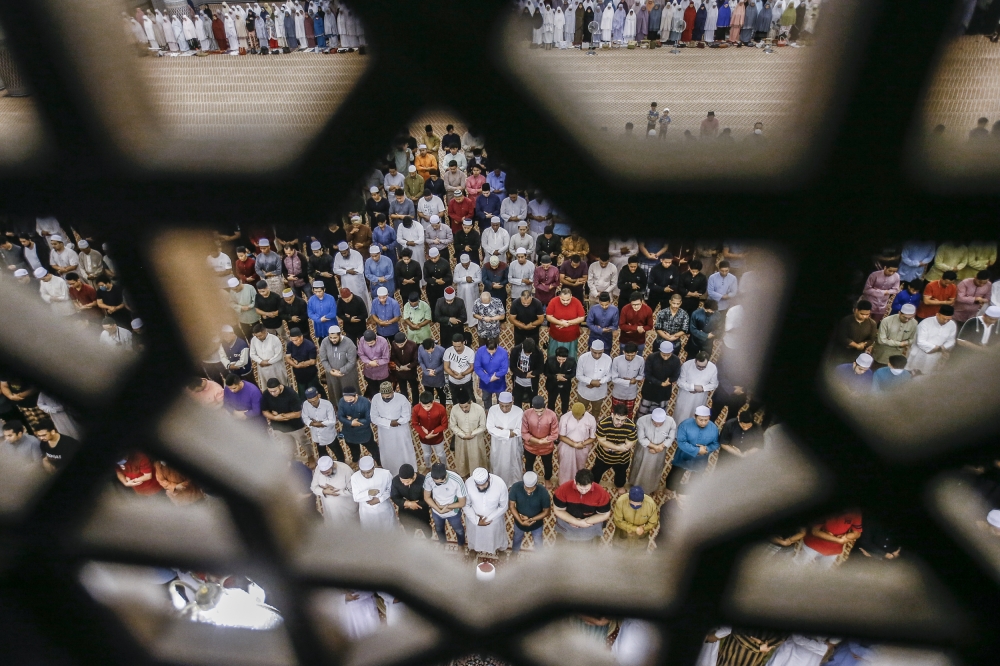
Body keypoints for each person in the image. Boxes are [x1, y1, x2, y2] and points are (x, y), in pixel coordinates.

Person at [665, 406, 719, 494]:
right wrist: (697, 450)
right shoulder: (685, 425)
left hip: (701, 458)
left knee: (696, 477)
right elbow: (681, 442)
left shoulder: (714, 428)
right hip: (684, 455)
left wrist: (707, 448)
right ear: (695, 416)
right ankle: (670, 488)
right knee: (676, 473)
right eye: (701, 420)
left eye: (706, 420)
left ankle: (691, 493)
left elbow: (716, 443)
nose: (703, 423)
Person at [370, 382, 416, 478]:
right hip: (385, 430)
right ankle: (390, 471)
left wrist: (397, 422)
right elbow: (374, 418)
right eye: (385, 396)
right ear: (380, 393)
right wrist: (389, 423)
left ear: (393, 391)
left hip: (400, 429)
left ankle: (409, 470)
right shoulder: (376, 399)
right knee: (388, 450)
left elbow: (407, 416)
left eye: (389, 395)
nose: (387, 397)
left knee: (404, 449)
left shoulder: (401, 398)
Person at [261, 378, 313, 461]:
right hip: (278, 427)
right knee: (287, 445)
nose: (272, 393)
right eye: (270, 391)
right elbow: (264, 411)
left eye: (275, 391)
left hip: (295, 426)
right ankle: (291, 459)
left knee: (303, 442)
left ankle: (311, 457)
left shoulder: (291, 394)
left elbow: (297, 413)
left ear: (280, 387)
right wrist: (274, 417)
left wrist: (281, 416)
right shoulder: (266, 394)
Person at [553, 468, 611, 542]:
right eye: (580, 488)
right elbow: (558, 510)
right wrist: (575, 522)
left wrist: (586, 522)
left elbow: (605, 514)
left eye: (586, 489)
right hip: (568, 520)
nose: (583, 492)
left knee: (591, 546)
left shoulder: (601, 493)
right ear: (575, 481)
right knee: (563, 544)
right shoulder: (563, 490)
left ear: (592, 483)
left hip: (590, 523)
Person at [591, 404, 638, 495]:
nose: (620, 423)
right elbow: (602, 441)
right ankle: (594, 484)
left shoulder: (631, 426)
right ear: (612, 415)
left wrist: (610, 448)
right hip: (603, 456)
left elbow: (628, 445)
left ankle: (619, 485)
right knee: (596, 471)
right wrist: (618, 447)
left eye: (623, 420)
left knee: (621, 473)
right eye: (617, 419)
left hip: (622, 458)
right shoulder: (603, 424)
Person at [463, 467, 510, 555]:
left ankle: (500, 549)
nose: (480, 487)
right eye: (478, 485)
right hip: (474, 519)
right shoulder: (468, 483)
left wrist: (487, 519)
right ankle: (473, 549)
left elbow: (503, 506)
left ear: (488, 478)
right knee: (474, 536)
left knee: (496, 536)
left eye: (483, 485)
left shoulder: (500, 484)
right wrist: (476, 520)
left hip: (494, 520)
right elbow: (466, 504)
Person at [629, 408, 675, 492]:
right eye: (655, 423)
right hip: (644, 450)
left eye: (660, 424)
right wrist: (655, 447)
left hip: (660, 451)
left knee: (655, 468)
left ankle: (652, 488)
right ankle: (635, 484)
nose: (658, 425)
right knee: (639, 466)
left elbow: (671, 438)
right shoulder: (642, 420)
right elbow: (641, 438)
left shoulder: (671, 422)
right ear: (652, 419)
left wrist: (660, 447)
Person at [794, 511, 862, 567]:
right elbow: (814, 531)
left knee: (821, 574)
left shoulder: (855, 512)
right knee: (798, 566)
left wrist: (847, 537)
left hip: (833, 550)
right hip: (813, 545)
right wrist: (838, 540)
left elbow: (857, 533)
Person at [423, 462, 467, 546]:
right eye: (435, 482)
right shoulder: (429, 477)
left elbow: (462, 502)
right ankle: (442, 543)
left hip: (453, 513)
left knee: (459, 530)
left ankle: (461, 545)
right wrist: (438, 510)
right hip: (436, 511)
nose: (437, 484)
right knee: (439, 529)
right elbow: (427, 497)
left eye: (440, 483)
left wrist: (444, 508)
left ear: (446, 476)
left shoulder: (457, 480)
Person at [486, 392, 525, 487]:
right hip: (497, 444)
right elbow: (490, 428)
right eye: (502, 406)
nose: (504, 409)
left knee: (513, 463)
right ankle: (497, 482)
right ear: (498, 403)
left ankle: (514, 483)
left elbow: (520, 430)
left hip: (513, 444)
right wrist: (509, 432)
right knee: (497, 463)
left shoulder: (519, 411)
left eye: (507, 406)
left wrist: (501, 431)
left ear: (512, 403)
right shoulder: (493, 410)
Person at [906, 305, 956, 375]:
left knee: (927, 376)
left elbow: (951, 340)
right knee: (911, 374)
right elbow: (921, 341)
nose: (946, 321)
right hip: (919, 353)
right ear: (937, 315)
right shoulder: (926, 323)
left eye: (948, 319)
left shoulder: (952, 325)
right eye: (944, 318)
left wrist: (942, 348)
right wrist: (936, 348)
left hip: (936, 355)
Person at [351, 455, 396, 531]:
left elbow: (391, 490)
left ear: (373, 467)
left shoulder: (385, 474)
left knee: (389, 530)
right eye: (363, 473)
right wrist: (368, 493)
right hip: (367, 512)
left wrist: (380, 499)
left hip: (383, 508)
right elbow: (356, 497)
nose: (366, 475)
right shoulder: (355, 477)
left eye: (368, 472)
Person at [509, 471, 551, 552]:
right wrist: (521, 522)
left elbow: (547, 512)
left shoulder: (543, 492)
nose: (528, 491)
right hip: (519, 522)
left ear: (536, 484)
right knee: (517, 538)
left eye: (531, 489)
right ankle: (514, 554)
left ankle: (539, 558)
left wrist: (530, 519)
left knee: (538, 541)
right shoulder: (515, 487)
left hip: (536, 524)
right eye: (526, 488)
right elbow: (511, 506)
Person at [522, 395, 559, 487]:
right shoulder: (527, 413)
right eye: (536, 411)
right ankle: (529, 481)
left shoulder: (552, 415)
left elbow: (555, 434)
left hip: (546, 447)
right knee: (529, 464)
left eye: (541, 411)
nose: (539, 414)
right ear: (532, 407)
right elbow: (524, 433)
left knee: (547, 465)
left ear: (545, 406)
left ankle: (547, 479)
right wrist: (538, 442)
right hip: (530, 446)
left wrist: (544, 441)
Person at [311, 456, 359, 527]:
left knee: (350, 526)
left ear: (333, 466)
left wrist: (335, 492)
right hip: (330, 509)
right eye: (323, 473)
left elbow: (354, 491)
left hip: (346, 508)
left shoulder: (346, 470)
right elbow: (313, 487)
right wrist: (324, 491)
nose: (325, 475)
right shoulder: (319, 469)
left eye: (327, 472)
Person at [557, 402, 597, 486]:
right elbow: (561, 436)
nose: (577, 418)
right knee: (565, 466)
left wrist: (581, 444)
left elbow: (593, 437)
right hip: (566, 445)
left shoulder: (591, 419)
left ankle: (578, 483)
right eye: (575, 416)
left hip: (583, 446)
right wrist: (574, 444)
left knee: (580, 465)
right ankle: (564, 484)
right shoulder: (565, 418)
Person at [449, 396, 489, 477]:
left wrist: (472, 433)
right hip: (461, 439)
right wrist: (463, 435)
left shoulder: (479, 409)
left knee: (476, 457)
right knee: (462, 457)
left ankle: (478, 474)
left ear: (470, 402)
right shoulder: (454, 409)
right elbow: (453, 425)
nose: (464, 409)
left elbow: (483, 426)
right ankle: (463, 473)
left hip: (475, 439)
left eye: (466, 406)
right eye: (461, 407)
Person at [673, 351, 718, 424]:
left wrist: (703, 388)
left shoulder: (713, 368)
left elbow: (714, 384)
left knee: (696, 417)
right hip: (685, 396)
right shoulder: (687, 365)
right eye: (698, 366)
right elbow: (680, 382)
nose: (701, 368)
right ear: (695, 361)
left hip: (700, 397)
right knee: (681, 417)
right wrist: (692, 387)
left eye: (703, 367)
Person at [319, 326, 358, 405]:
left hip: (347, 374)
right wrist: (330, 370)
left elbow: (352, 361)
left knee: (350, 392)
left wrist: (341, 371)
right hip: (332, 374)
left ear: (340, 335)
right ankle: (338, 407)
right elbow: (323, 359)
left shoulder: (349, 343)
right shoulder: (325, 342)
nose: (333, 340)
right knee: (335, 391)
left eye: (335, 337)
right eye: (331, 337)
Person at [337, 388, 377, 464]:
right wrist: (351, 422)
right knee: (354, 450)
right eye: (346, 400)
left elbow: (369, 419)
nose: (348, 402)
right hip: (349, 432)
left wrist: (355, 421)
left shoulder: (365, 402)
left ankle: (378, 461)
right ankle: (355, 460)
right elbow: (340, 416)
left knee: (373, 449)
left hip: (363, 432)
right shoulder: (342, 401)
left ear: (356, 396)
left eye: (350, 400)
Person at [871, 303, 917, 368]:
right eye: (905, 317)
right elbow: (881, 340)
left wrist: (906, 342)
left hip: (897, 354)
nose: (907, 320)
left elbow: (913, 339)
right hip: (882, 353)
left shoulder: (914, 323)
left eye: (910, 318)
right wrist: (901, 344)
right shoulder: (887, 321)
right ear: (899, 313)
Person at [546, 288, 587, 358]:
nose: (565, 302)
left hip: (571, 336)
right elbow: (548, 316)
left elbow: (581, 317)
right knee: (553, 356)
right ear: (560, 297)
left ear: (571, 296)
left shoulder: (576, 302)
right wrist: (560, 323)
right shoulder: (553, 301)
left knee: (570, 357)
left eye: (568, 300)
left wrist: (568, 323)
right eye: (563, 300)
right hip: (556, 336)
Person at [576, 339, 612, 416]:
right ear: (591, 349)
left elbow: (609, 375)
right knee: (581, 410)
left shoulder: (608, 359)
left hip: (599, 391)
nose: (597, 355)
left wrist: (599, 382)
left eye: (600, 353)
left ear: (603, 350)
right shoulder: (583, 358)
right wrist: (591, 382)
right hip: (584, 390)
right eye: (595, 352)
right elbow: (578, 375)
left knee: (596, 410)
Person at [412, 391, 448, 470]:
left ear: (433, 402)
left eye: (428, 406)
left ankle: (444, 467)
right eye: (423, 406)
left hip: (437, 437)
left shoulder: (441, 408)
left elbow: (444, 425)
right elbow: (415, 423)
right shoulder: (416, 408)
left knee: (441, 454)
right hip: (423, 438)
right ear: (420, 402)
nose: (426, 409)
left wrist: (431, 433)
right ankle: (428, 467)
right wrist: (425, 435)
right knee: (427, 454)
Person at [390, 463, 431, 533]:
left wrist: (415, 504)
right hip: (405, 512)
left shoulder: (423, 481)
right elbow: (394, 496)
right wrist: (408, 504)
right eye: (402, 482)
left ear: (414, 477)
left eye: (407, 482)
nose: (405, 484)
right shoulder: (395, 481)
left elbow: (428, 498)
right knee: (409, 530)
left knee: (426, 528)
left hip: (421, 511)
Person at [333, 241, 371, 311]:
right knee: (348, 299)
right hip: (346, 283)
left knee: (361, 299)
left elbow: (360, 270)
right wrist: (347, 271)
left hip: (357, 283)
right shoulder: (338, 256)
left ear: (348, 249)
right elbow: (335, 270)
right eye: (342, 253)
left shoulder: (356, 254)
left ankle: (366, 315)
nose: (343, 255)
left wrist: (343, 269)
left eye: (345, 253)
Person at [610, 343, 644, 418]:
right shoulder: (616, 360)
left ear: (636, 353)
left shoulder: (640, 360)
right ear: (624, 352)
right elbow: (614, 378)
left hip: (631, 393)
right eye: (628, 355)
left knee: (629, 412)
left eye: (633, 355)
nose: (630, 358)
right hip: (618, 392)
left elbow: (641, 375)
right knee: (616, 412)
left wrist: (635, 379)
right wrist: (629, 382)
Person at [286, 328, 320, 399]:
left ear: (301, 337)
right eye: (293, 340)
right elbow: (287, 358)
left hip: (310, 374)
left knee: (314, 391)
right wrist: (295, 365)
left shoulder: (310, 346)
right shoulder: (290, 344)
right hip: (299, 374)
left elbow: (312, 361)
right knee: (302, 393)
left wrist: (300, 364)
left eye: (296, 340)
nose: (294, 342)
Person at [249, 324, 287, 389]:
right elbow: (252, 354)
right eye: (256, 336)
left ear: (265, 331)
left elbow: (279, 355)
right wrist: (260, 361)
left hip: (275, 367)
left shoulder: (275, 339)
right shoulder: (254, 340)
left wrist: (268, 362)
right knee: (267, 387)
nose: (258, 338)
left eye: (260, 336)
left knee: (281, 385)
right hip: (262, 368)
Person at [509, 337, 544, 407]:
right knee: (517, 403)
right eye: (527, 353)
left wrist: (531, 373)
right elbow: (512, 367)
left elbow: (541, 368)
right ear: (522, 347)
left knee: (533, 403)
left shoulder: (538, 353)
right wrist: (524, 375)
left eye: (530, 353)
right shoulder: (515, 350)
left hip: (531, 384)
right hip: (518, 382)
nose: (528, 354)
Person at [475, 338, 509, 407]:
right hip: (485, 381)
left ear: (497, 347)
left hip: (499, 381)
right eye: (489, 351)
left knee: (501, 400)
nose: (491, 353)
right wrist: (488, 378)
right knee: (486, 399)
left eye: (493, 351)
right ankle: (488, 412)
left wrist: (496, 375)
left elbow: (504, 369)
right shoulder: (480, 351)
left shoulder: (503, 352)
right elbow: (477, 367)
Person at [444, 333, 476, 404]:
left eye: (459, 346)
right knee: (455, 399)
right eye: (454, 346)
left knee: (471, 399)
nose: (456, 348)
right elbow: (446, 367)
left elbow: (472, 367)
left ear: (463, 342)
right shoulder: (448, 351)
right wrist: (454, 376)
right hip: (453, 381)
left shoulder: (470, 352)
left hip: (466, 381)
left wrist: (463, 374)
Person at [544, 346, 577, 414]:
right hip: (552, 384)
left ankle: (564, 414)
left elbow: (573, 373)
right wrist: (556, 377)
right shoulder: (550, 360)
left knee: (565, 401)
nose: (561, 361)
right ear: (556, 356)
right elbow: (545, 372)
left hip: (565, 385)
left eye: (563, 359)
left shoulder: (572, 361)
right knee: (551, 401)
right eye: (559, 359)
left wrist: (564, 376)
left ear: (567, 357)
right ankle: (551, 415)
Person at [358, 330, 390, 398]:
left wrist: (376, 363)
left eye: (372, 343)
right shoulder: (362, 340)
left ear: (376, 339)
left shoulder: (383, 341)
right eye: (367, 343)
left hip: (381, 372)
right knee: (373, 390)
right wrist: (369, 362)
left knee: (384, 391)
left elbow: (386, 358)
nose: (369, 345)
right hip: (369, 371)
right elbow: (361, 354)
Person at [389, 332, 419, 402]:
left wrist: (408, 366)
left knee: (414, 388)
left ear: (406, 340)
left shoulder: (413, 345)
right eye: (397, 344)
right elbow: (393, 356)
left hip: (411, 372)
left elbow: (416, 359)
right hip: (400, 372)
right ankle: (405, 403)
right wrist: (400, 366)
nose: (399, 346)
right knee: (403, 389)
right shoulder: (394, 344)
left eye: (401, 344)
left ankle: (415, 404)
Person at [417, 337, 447, 404]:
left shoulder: (441, 350)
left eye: (431, 351)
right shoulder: (420, 348)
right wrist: (426, 371)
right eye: (427, 351)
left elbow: (444, 363)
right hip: (427, 378)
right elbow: (420, 361)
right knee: (429, 395)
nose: (429, 352)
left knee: (441, 394)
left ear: (433, 346)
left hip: (438, 377)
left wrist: (435, 371)